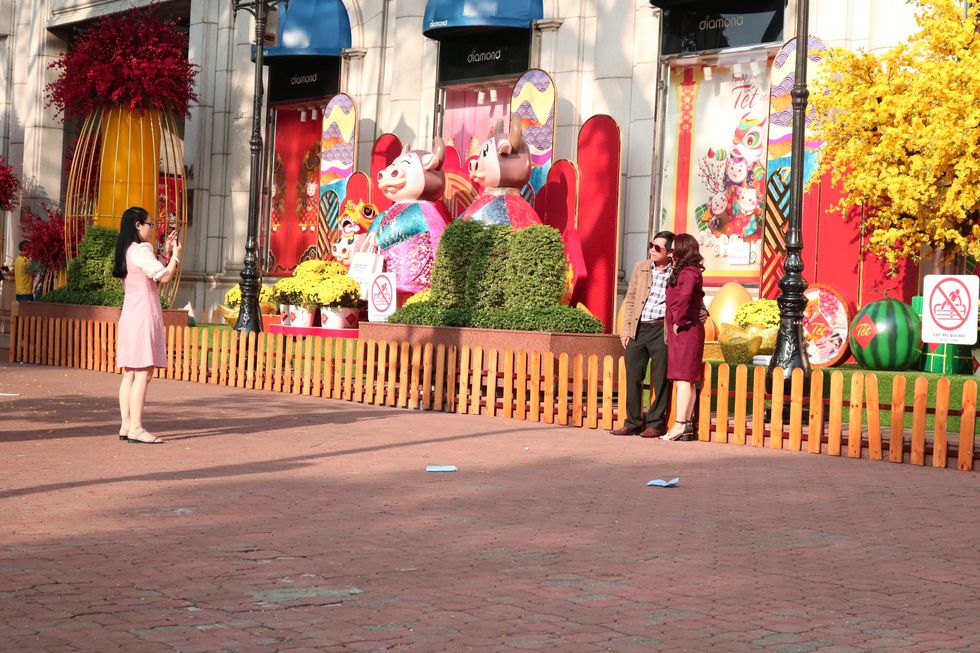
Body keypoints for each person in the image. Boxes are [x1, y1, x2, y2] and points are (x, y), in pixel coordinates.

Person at [113, 207, 181, 444]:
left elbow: (151, 269)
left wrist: (167, 252)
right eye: (149, 224)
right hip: (143, 315)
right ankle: (137, 427)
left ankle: (126, 425)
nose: (152, 228)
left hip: (130, 314)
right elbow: (164, 277)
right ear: (138, 225)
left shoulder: (128, 250)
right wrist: (175, 257)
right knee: (143, 371)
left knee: (130, 372)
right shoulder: (141, 249)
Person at [611, 231, 675, 438]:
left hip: (661, 330)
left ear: (670, 252)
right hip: (639, 329)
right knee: (633, 375)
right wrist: (626, 329)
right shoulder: (642, 267)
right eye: (651, 245)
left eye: (658, 248)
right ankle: (632, 422)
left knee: (661, 378)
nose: (652, 250)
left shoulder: (677, 272)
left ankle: (655, 424)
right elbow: (630, 299)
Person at [661, 233, 706, 441]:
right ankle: (685, 424)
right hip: (685, 328)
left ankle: (680, 424)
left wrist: (679, 320)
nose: (670, 252)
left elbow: (686, 295)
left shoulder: (689, 271)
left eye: (673, 249)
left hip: (686, 329)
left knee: (683, 379)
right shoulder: (688, 270)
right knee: (687, 379)